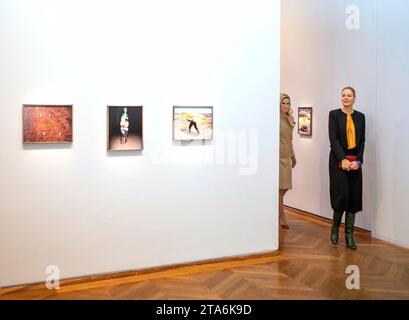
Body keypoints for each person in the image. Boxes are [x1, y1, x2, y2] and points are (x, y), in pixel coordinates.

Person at [329, 87, 366, 250]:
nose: (346, 97)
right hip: (338, 160)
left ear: (354, 98)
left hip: (355, 161)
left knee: (354, 197)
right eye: (343, 95)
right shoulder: (334, 115)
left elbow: (362, 141)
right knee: (341, 195)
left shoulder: (361, 117)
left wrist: (358, 160)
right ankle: (335, 228)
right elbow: (334, 139)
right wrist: (343, 159)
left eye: (349, 95)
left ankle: (349, 236)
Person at [279, 93, 297, 229]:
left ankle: (276, 213)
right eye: (283, 103)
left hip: (286, 157)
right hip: (277, 158)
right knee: (279, 190)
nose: (285, 105)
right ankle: (282, 217)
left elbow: (289, 140)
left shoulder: (290, 118)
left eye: (288, 103)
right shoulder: (274, 119)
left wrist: (293, 156)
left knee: (285, 188)